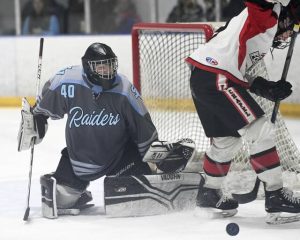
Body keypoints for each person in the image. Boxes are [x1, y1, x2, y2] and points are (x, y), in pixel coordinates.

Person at [17, 43, 193, 218]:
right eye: (101, 67)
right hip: (78, 160)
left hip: (120, 157)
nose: (107, 71)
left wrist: (157, 160)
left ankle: (146, 172)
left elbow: (142, 127)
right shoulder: (67, 81)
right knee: (61, 199)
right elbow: (42, 109)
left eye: (109, 65)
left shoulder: (124, 88)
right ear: (88, 67)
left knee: (140, 189)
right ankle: (74, 189)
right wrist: (36, 122)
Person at [186, 0, 300, 222]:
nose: (288, 36)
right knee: (261, 130)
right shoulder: (266, 15)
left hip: (205, 77)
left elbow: (235, 67)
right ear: (285, 17)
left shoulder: (257, 32)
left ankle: (210, 193)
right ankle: (276, 195)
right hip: (216, 76)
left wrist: (263, 87)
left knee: (227, 141)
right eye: (291, 28)